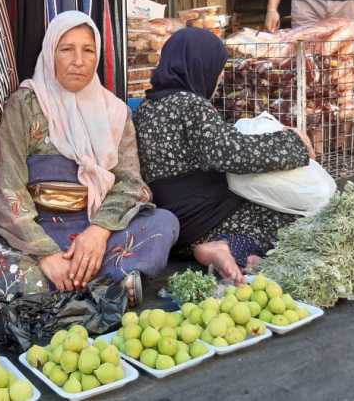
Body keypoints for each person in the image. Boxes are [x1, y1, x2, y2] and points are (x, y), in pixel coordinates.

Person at [0, 11, 179, 320]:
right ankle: (106, 287)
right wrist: (46, 254)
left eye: (88, 50)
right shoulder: (25, 104)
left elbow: (130, 183)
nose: (78, 60)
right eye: (67, 49)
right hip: (34, 232)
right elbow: (6, 185)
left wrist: (98, 232)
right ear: (50, 52)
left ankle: (46, 291)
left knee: (164, 223)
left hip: (93, 235)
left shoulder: (116, 112)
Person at [133, 28, 313, 283]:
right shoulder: (191, 104)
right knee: (294, 219)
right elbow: (232, 153)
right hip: (208, 219)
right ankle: (227, 247)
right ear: (199, 67)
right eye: (217, 72)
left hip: (177, 229)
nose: (218, 81)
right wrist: (294, 144)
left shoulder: (145, 108)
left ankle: (224, 250)